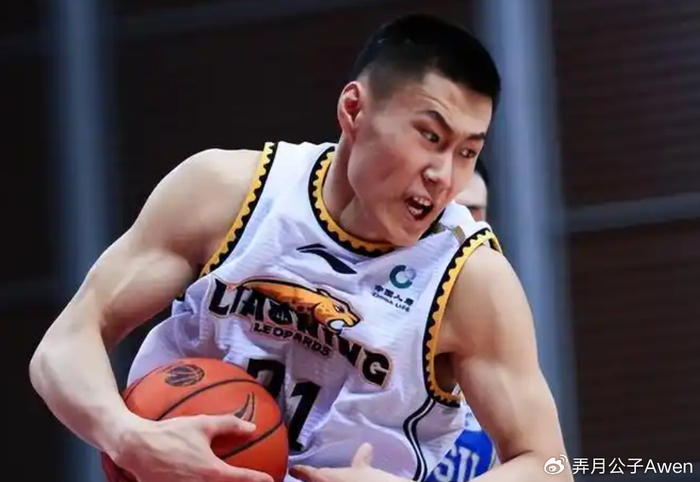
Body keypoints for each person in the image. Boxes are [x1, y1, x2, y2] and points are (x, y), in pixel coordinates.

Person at [29, 13, 572, 482]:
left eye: (466, 152)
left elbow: (548, 464)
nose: (443, 175)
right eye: (430, 136)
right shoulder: (225, 193)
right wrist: (125, 435)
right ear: (354, 110)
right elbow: (67, 341)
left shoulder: (472, 278)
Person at [427, 159, 496, 482]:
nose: (463, 226)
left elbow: (548, 467)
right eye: (451, 210)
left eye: (474, 213)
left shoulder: (500, 338)